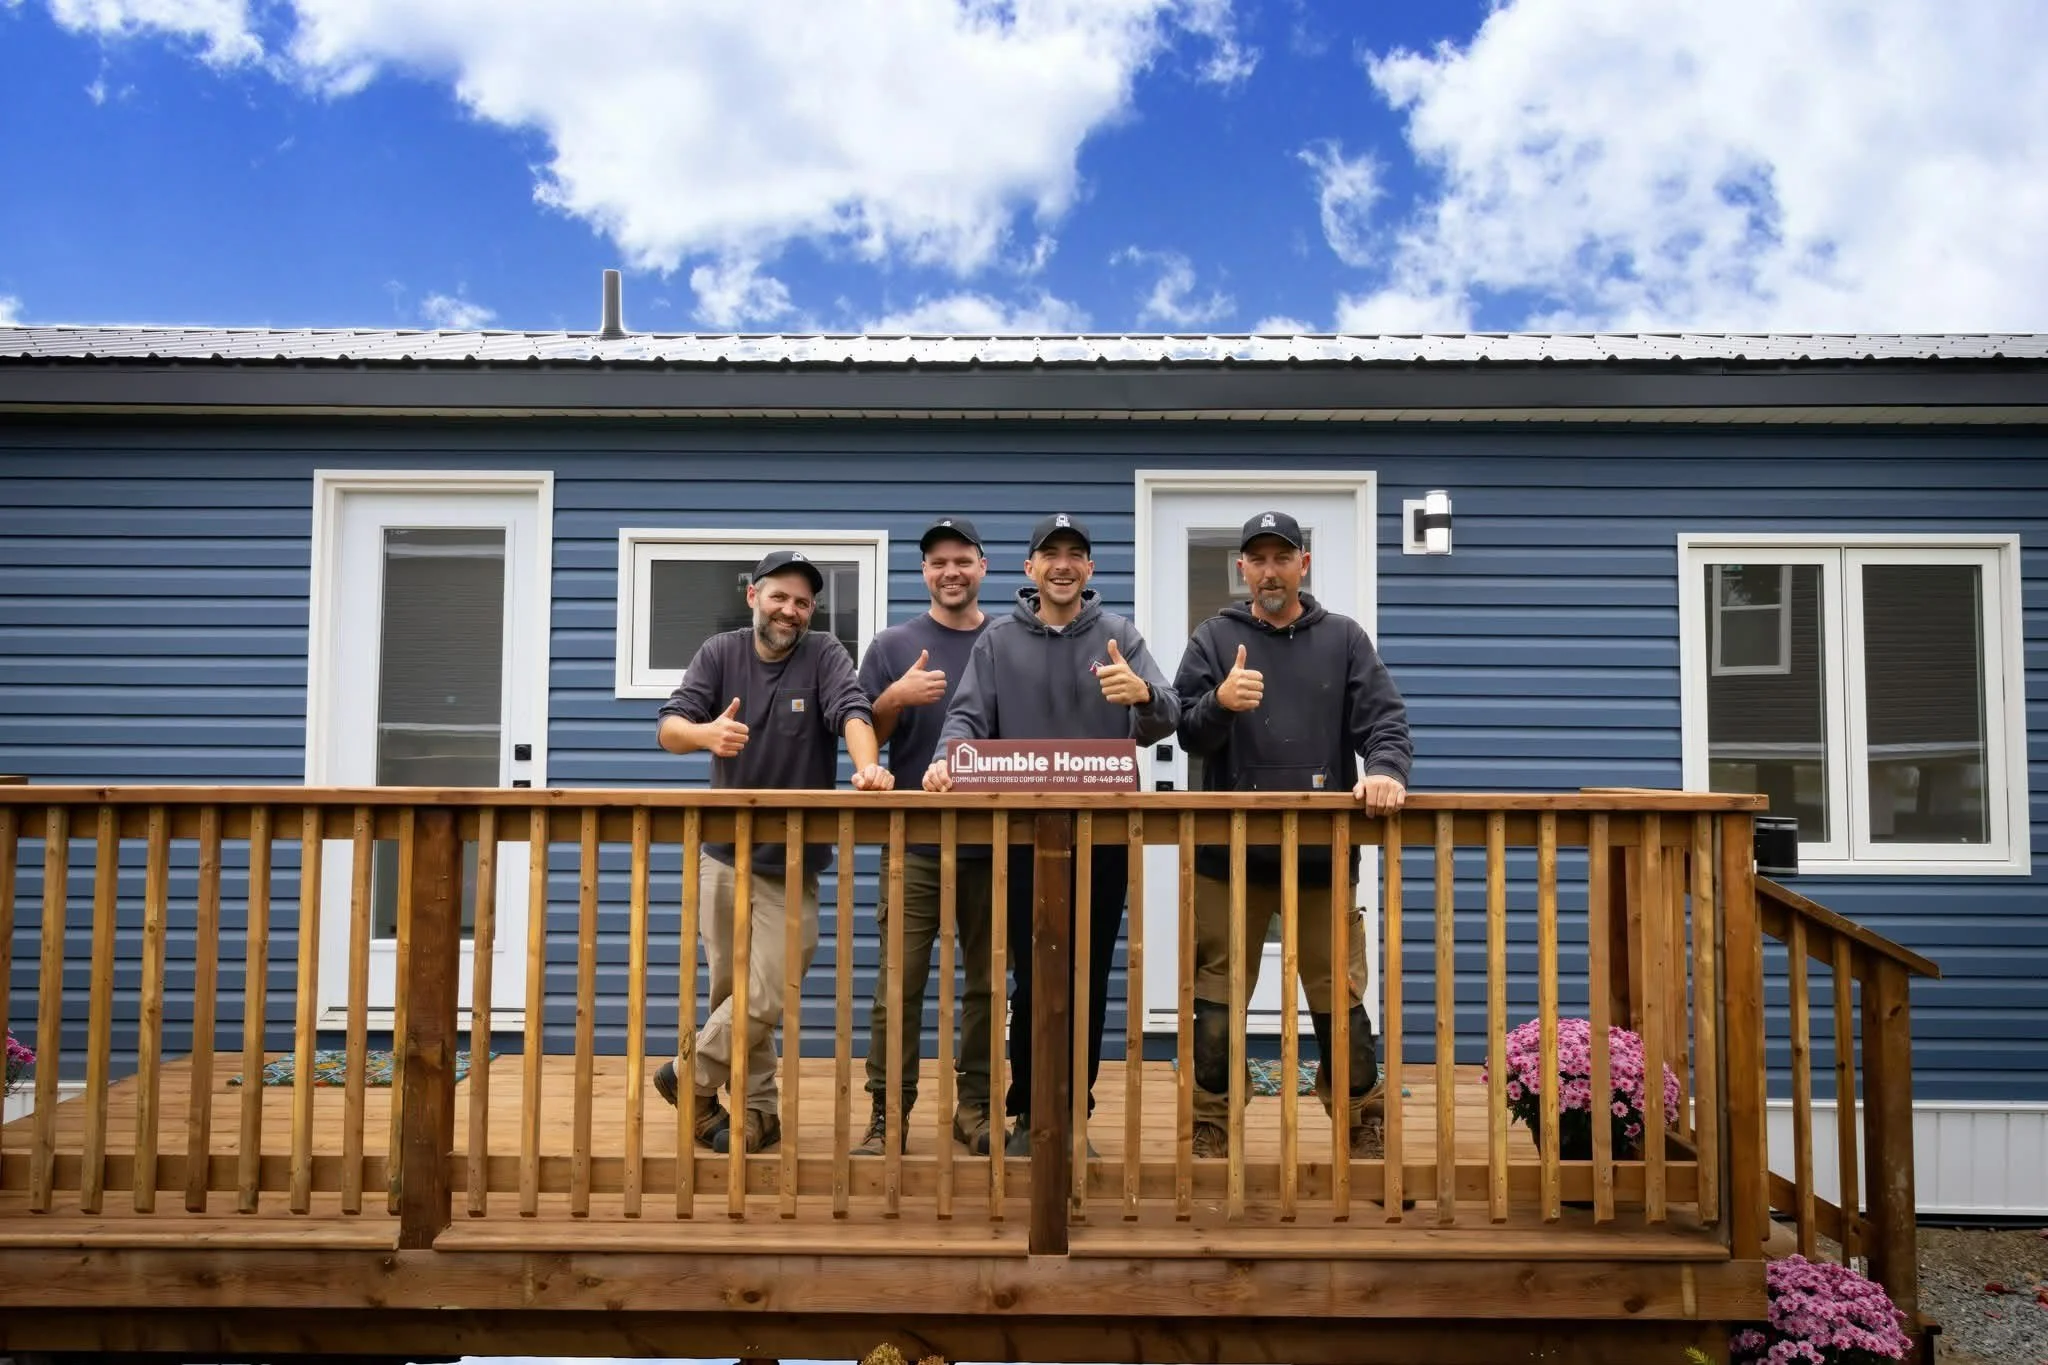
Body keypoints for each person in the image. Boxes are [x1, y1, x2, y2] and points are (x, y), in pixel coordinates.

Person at [926, 512, 1179, 1156]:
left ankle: (1072, 1117)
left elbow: (1167, 716)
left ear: (1089, 568)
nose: (1062, 565)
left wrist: (1142, 694)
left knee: (1086, 979)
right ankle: (1030, 1113)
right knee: (1033, 979)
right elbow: (965, 720)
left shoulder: (1120, 635)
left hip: (1102, 841)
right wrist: (946, 761)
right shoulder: (998, 641)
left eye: (1075, 554)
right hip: (1020, 843)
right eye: (1050, 553)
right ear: (1030, 568)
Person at [1172, 510, 1412, 1160]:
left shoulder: (1343, 638)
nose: (1270, 571)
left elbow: (1385, 723)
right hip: (1229, 855)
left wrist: (1385, 771)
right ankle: (1213, 1121)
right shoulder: (1214, 638)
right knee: (1216, 1001)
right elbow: (1186, 729)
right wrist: (1220, 702)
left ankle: (1359, 1118)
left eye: (1283, 557)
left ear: (1303, 564)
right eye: (1258, 559)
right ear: (1242, 568)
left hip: (1321, 855)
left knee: (1341, 1000)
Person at [653, 549, 895, 1154]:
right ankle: (756, 1114)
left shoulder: (824, 654)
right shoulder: (720, 653)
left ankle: (687, 1076)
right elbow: (670, 727)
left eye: (803, 602)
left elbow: (853, 711)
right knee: (731, 993)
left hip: (791, 860)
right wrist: (707, 734)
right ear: (754, 596)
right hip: (722, 855)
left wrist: (868, 769)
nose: (791, 610)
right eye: (780, 596)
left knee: (770, 987)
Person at [852, 517, 999, 1157]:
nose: (951, 572)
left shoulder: (1008, 640)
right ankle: (889, 1114)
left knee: (988, 984)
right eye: (938, 563)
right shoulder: (893, 645)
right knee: (898, 985)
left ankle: (977, 1109)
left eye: (962, 560)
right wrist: (894, 695)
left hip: (994, 842)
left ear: (983, 567)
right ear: (924, 573)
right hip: (913, 843)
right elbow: (863, 731)